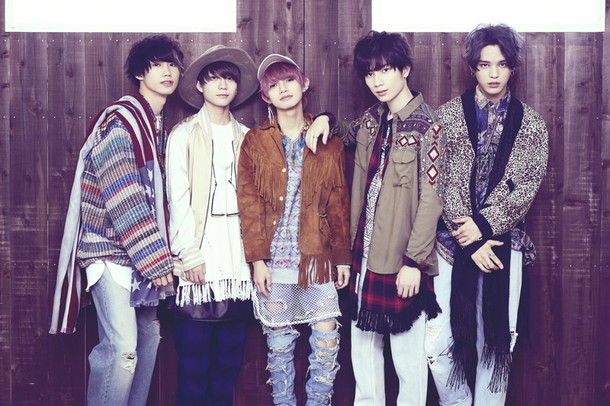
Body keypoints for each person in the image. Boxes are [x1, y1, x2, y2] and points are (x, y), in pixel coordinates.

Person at [49, 35, 184, 405]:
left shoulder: (155, 127)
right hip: (109, 251)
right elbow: (123, 195)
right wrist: (156, 260)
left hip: (140, 255)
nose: (167, 72)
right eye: (157, 65)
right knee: (122, 347)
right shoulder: (122, 121)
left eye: (172, 64)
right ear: (140, 73)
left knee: (149, 340)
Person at [426, 23, 549, 406]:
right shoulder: (447, 117)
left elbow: (525, 186)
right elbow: (440, 179)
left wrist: (482, 228)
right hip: (450, 244)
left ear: (512, 67)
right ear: (473, 68)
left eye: (502, 64)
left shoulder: (532, 125)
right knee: (438, 343)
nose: (494, 73)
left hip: (503, 244)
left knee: (497, 342)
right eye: (484, 65)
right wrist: (469, 236)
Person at [237, 53, 352, 405]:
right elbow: (249, 203)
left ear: (304, 84)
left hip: (317, 257)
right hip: (275, 259)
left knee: (326, 343)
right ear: (265, 96)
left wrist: (342, 258)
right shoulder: (255, 141)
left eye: (289, 80)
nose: (283, 88)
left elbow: (338, 202)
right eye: (274, 85)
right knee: (279, 347)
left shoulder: (329, 140)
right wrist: (257, 260)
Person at [339, 31, 445, 406]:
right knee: (362, 354)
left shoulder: (429, 127)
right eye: (370, 74)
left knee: (407, 361)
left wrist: (414, 262)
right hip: (364, 252)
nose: (377, 81)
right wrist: (321, 119)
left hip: (402, 259)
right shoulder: (372, 119)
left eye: (385, 70)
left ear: (405, 69)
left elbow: (432, 200)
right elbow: (344, 134)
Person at [165, 45, 258, 406]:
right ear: (200, 86)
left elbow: (258, 203)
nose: (222, 85)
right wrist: (189, 254)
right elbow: (177, 198)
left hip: (237, 263)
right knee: (193, 368)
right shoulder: (184, 134)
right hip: (199, 258)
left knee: (227, 368)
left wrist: (257, 258)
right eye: (214, 78)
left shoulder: (247, 136)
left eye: (229, 79)